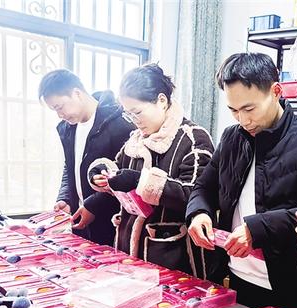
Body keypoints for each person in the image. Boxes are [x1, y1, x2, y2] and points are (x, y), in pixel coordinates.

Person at [186, 52, 297, 308]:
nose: (243, 120)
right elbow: (204, 186)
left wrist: (257, 229)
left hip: (287, 283)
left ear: (276, 91)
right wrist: (199, 212)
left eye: (249, 109)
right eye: (234, 110)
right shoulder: (232, 137)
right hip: (235, 274)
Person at [75, 64, 215, 277]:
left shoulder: (193, 139)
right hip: (129, 249)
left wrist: (140, 181)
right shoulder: (136, 140)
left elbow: (195, 195)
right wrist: (101, 173)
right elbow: (116, 166)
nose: (135, 121)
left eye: (138, 112)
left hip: (173, 255)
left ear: (161, 101)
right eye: (129, 114)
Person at [39, 69, 134, 245]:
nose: (60, 115)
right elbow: (70, 166)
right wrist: (65, 198)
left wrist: (93, 205)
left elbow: (127, 174)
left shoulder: (119, 123)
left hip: (113, 222)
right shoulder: (67, 128)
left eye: (60, 107)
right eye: (54, 110)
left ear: (77, 93)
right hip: (81, 221)